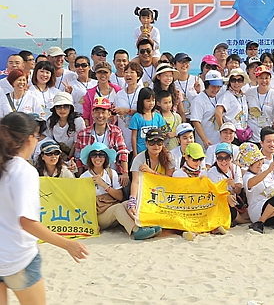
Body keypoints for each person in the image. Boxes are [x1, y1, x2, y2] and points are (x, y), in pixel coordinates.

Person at [0, 112, 88, 304]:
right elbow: (26, 221)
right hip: (17, 257)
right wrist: (67, 244)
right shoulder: (23, 170)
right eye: (37, 135)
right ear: (29, 139)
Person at [80, 142, 161, 240]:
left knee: (129, 204)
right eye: (94, 155)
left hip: (112, 208)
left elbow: (119, 196)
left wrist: (104, 185)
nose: (97, 158)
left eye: (101, 155)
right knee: (117, 208)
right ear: (89, 158)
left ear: (106, 157)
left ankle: (145, 225)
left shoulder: (111, 173)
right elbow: (83, 204)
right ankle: (135, 231)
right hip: (98, 215)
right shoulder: (84, 177)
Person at [241, 142, 274, 234]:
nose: (259, 164)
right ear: (249, 164)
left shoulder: (265, 167)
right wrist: (268, 170)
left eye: (260, 160)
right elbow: (252, 182)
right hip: (259, 209)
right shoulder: (247, 176)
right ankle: (260, 222)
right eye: (255, 162)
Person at [74, 97, 130, 184]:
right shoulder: (82, 134)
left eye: (103, 112)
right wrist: (80, 176)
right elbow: (78, 156)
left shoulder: (116, 131)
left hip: (112, 173)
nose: (100, 115)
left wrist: (125, 173)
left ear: (109, 114)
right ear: (92, 113)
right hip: (90, 174)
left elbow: (122, 151)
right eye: (97, 112)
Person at [207, 142, 249, 227]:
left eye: (227, 158)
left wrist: (233, 186)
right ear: (216, 158)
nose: (223, 161)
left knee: (249, 210)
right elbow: (215, 192)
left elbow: (238, 190)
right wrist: (226, 197)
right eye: (220, 158)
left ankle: (236, 220)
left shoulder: (235, 168)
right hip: (219, 203)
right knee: (229, 207)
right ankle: (243, 221)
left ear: (231, 158)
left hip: (235, 202)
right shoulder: (212, 172)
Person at [245, 65, 274, 144]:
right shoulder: (249, 92)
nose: (264, 81)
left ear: (270, 79)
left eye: (266, 78)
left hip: (267, 138)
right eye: (261, 78)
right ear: (256, 78)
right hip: (250, 137)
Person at [113, 62, 143, 154]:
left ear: (138, 76)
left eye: (132, 72)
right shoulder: (119, 94)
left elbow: (146, 112)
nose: (128, 75)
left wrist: (127, 111)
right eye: (126, 72)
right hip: (123, 135)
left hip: (139, 135)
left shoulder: (142, 92)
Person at [191, 70, 225, 148]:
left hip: (219, 140)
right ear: (207, 85)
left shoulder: (219, 96)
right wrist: (204, 139)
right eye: (213, 86)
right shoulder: (198, 100)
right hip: (206, 142)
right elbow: (196, 121)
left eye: (218, 87)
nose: (216, 89)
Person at [46, 92, 85, 158]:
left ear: (71, 108)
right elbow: (50, 139)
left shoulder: (78, 121)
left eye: (66, 106)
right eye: (58, 106)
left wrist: (69, 157)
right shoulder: (50, 121)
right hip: (56, 155)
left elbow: (77, 142)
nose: (62, 110)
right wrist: (61, 155)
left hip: (75, 155)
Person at [215, 68, 249, 143]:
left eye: (239, 80)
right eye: (233, 80)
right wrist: (223, 130)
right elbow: (218, 112)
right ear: (230, 82)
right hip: (232, 134)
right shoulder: (227, 95)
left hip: (242, 132)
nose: (236, 83)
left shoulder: (242, 96)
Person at [129, 88, 166, 155]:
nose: (151, 103)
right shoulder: (136, 117)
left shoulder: (158, 116)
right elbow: (134, 137)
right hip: (141, 151)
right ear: (141, 101)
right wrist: (135, 153)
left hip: (155, 151)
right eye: (148, 101)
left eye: (153, 100)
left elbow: (160, 135)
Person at [82, 62, 120, 127]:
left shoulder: (117, 90)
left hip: (115, 129)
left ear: (110, 73)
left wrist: (116, 117)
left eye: (105, 72)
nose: (102, 75)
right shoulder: (89, 94)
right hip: (96, 128)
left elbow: (122, 110)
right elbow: (86, 115)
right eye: (99, 72)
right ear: (96, 74)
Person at [173, 52, 201, 120]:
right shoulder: (172, 82)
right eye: (181, 62)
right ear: (174, 65)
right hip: (178, 118)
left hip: (194, 118)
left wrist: (198, 92)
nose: (184, 64)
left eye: (187, 62)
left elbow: (204, 100)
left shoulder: (196, 80)